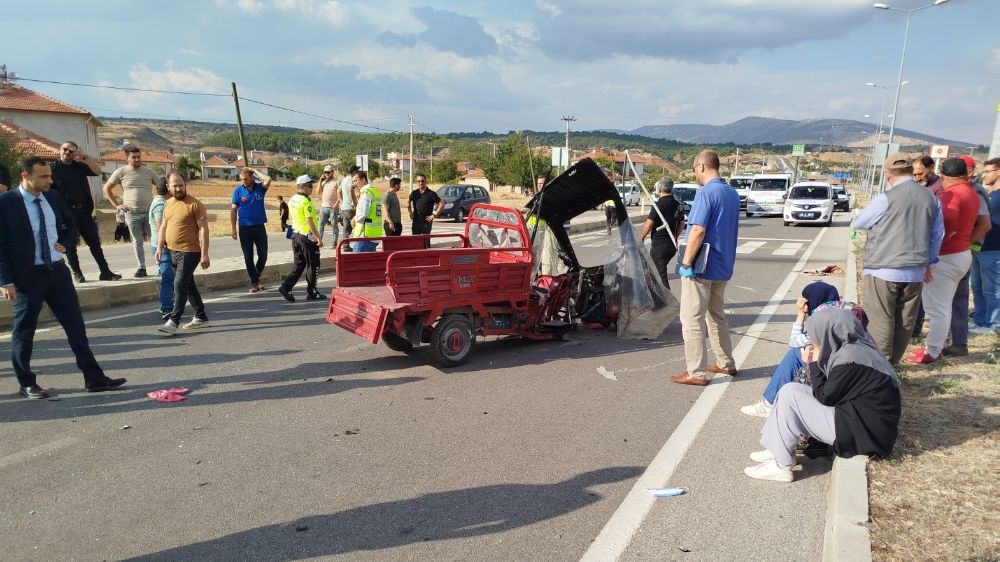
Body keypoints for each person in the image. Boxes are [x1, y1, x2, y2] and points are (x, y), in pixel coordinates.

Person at [0, 156, 126, 398]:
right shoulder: (6, 203)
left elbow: (69, 223)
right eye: (43, 177)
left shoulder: (53, 197)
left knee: (76, 327)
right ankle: (26, 382)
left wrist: (65, 244)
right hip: (27, 277)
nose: (50, 180)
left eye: (50, 176)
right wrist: (5, 280)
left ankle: (94, 378)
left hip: (57, 272)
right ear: (26, 176)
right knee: (24, 331)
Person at [744, 307, 901, 482]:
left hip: (865, 436)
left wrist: (813, 363)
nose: (813, 340)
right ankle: (779, 449)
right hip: (859, 421)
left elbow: (825, 397)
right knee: (790, 389)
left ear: (827, 334)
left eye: (815, 335)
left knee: (791, 397)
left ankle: (780, 466)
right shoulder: (855, 348)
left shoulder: (850, 360)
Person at [852, 153, 943, 364]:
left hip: (883, 267)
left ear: (887, 175)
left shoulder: (885, 198)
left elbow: (859, 223)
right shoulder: (931, 198)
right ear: (913, 172)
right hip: (916, 270)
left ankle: (880, 367)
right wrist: (930, 263)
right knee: (905, 321)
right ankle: (893, 364)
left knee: (881, 319)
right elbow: (938, 235)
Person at [671, 150, 740, 386]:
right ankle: (725, 363)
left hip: (702, 268)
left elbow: (698, 230)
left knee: (691, 319)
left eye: (693, 169)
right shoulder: (731, 193)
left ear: (701, 166)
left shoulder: (705, 193)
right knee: (716, 317)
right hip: (723, 266)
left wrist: (686, 263)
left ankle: (696, 372)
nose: (695, 174)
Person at [904, 158, 980, 364]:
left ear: (942, 174)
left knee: (937, 308)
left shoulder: (953, 194)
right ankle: (934, 345)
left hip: (946, 257)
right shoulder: (971, 191)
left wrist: (929, 260)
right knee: (944, 305)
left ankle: (933, 351)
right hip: (961, 253)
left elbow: (945, 227)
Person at [741, 282, 842, 417]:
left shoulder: (820, 324)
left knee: (795, 353)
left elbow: (794, 342)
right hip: (844, 366)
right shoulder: (840, 314)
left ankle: (769, 404)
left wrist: (801, 314)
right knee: (800, 351)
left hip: (832, 372)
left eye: (806, 300)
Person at [50, 141, 122, 283]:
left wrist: (83, 157)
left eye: (72, 151)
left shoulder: (80, 166)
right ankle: (77, 273)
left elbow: (97, 171)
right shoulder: (53, 168)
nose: (67, 152)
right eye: (65, 149)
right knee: (70, 246)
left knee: (95, 243)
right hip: (65, 213)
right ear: (60, 150)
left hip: (84, 211)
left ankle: (105, 272)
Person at [944, 154, 992, 356]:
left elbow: (984, 224)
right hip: (963, 249)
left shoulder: (974, 192)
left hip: (965, 249)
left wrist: (968, 243)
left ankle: (958, 342)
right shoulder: (967, 191)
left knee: (956, 297)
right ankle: (950, 338)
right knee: (951, 297)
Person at [156, 173, 211, 335]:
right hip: (172, 251)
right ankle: (201, 316)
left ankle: (173, 321)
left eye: (181, 185)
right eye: (175, 186)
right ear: (168, 187)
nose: (179, 188)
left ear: (185, 184)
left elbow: (204, 230)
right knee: (188, 286)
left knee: (179, 284)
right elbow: (164, 227)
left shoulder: (195, 204)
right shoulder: (168, 204)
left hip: (190, 252)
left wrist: (205, 254)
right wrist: (159, 247)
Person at [102, 146, 158, 278]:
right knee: (137, 241)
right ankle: (141, 268)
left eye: (139, 156)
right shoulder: (121, 172)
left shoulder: (148, 172)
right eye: (134, 157)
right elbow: (107, 189)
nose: (138, 159)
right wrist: (117, 205)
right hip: (132, 213)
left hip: (150, 212)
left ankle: (160, 266)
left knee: (155, 240)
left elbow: (162, 186)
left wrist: (160, 202)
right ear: (127, 158)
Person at [278, 175, 324, 302]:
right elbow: (309, 221)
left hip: (295, 235)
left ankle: (286, 286)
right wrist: (318, 238)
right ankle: (312, 292)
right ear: (302, 187)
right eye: (310, 186)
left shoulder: (293, 199)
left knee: (299, 264)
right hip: (306, 236)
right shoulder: (306, 201)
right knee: (313, 264)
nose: (312, 188)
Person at [230, 167, 272, 293]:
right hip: (244, 228)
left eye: (246, 179)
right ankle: (255, 283)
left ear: (252, 177)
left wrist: (254, 170)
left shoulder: (260, 188)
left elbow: (268, 179)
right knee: (248, 258)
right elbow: (233, 210)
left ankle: (256, 278)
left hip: (259, 227)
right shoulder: (238, 191)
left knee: (263, 256)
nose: (244, 181)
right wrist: (233, 228)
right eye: (242, 179)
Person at [970, 158, 1000, 333]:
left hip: (995, 249)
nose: (984, 175)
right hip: (980, 247)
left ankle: (993, 323)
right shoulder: (988, 193)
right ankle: (980, 319)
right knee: (977, 287)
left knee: (993, 289)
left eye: (988, 171)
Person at [639, 178, 684, 289]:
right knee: (655, 272)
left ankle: (668, 302)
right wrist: (675, 237)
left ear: (659, 188)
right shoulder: (678, 204)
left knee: (660, 275)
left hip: (660, 247)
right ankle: (657, 299)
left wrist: (641, 238)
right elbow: (682, 224)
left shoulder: (658, 205)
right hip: (672, 246)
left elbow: (648, 225)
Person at [149, 178, 174, 320]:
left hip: (165, 245)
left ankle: (171, 304)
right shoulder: (160, 204)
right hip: (163, 246)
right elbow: (161, 228)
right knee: (167, 277)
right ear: (167, 188)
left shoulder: (163, 202)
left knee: (172, 276)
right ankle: (166, 308)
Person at [351, 171, 382, 252]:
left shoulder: (366, 193)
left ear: (363, 180)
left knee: (356, 263)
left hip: (364, 236)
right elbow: (370, 212)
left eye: (356, 181)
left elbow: (363, 213)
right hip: (373, 235)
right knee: (368, 263)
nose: (354, 184)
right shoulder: (374, 191)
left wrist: (354, 219)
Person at [335, 165, 359, 250]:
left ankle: (345, 245)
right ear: (354, 172)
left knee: (346, 226)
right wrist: (354, 202)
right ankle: (357, 244)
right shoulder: (351, 180)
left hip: (344, 207)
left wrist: (341, 201)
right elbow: (351, 190)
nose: (357, 172)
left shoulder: (344, 179)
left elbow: (338, 191)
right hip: (350, 207)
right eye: (357, 171)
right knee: (356, 225)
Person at [317, 164, 338, 245]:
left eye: (328, 172)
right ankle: (319, 240)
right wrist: (320, 180)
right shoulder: (324, 182)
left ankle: (334, 242)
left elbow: (340, 194)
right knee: (320, 225)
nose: (327, 174)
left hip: (333, 207)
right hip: (323, 207)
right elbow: (318, 192)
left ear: (332, 172)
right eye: (325, 172)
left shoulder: (336, 182)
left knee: (334, 225)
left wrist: (337, 203)